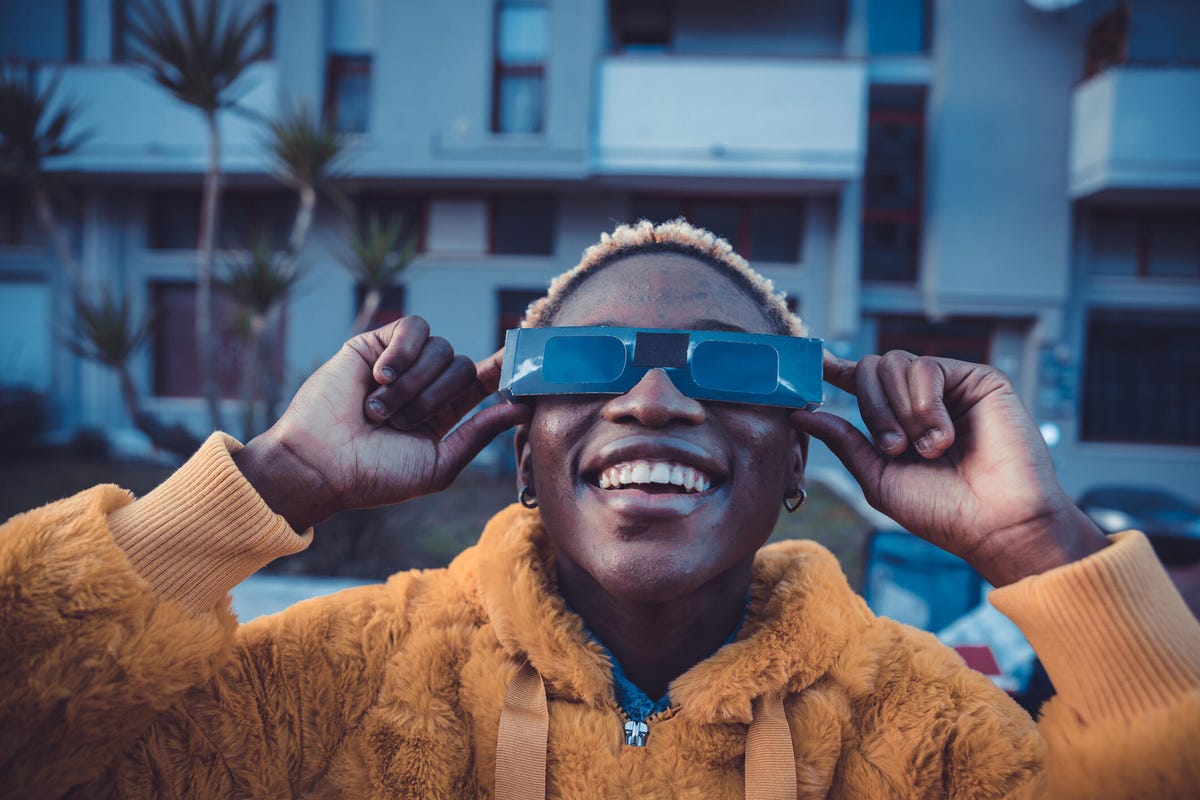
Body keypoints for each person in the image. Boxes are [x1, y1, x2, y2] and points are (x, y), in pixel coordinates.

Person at [2, 219, 1198, 799]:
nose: (656, 398)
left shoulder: (926, 734)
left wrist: (1044, 544)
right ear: (523, 443)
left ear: (798, 454)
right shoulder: (332, 688)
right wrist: (274, 478)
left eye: (730, 368)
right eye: (587, 361)